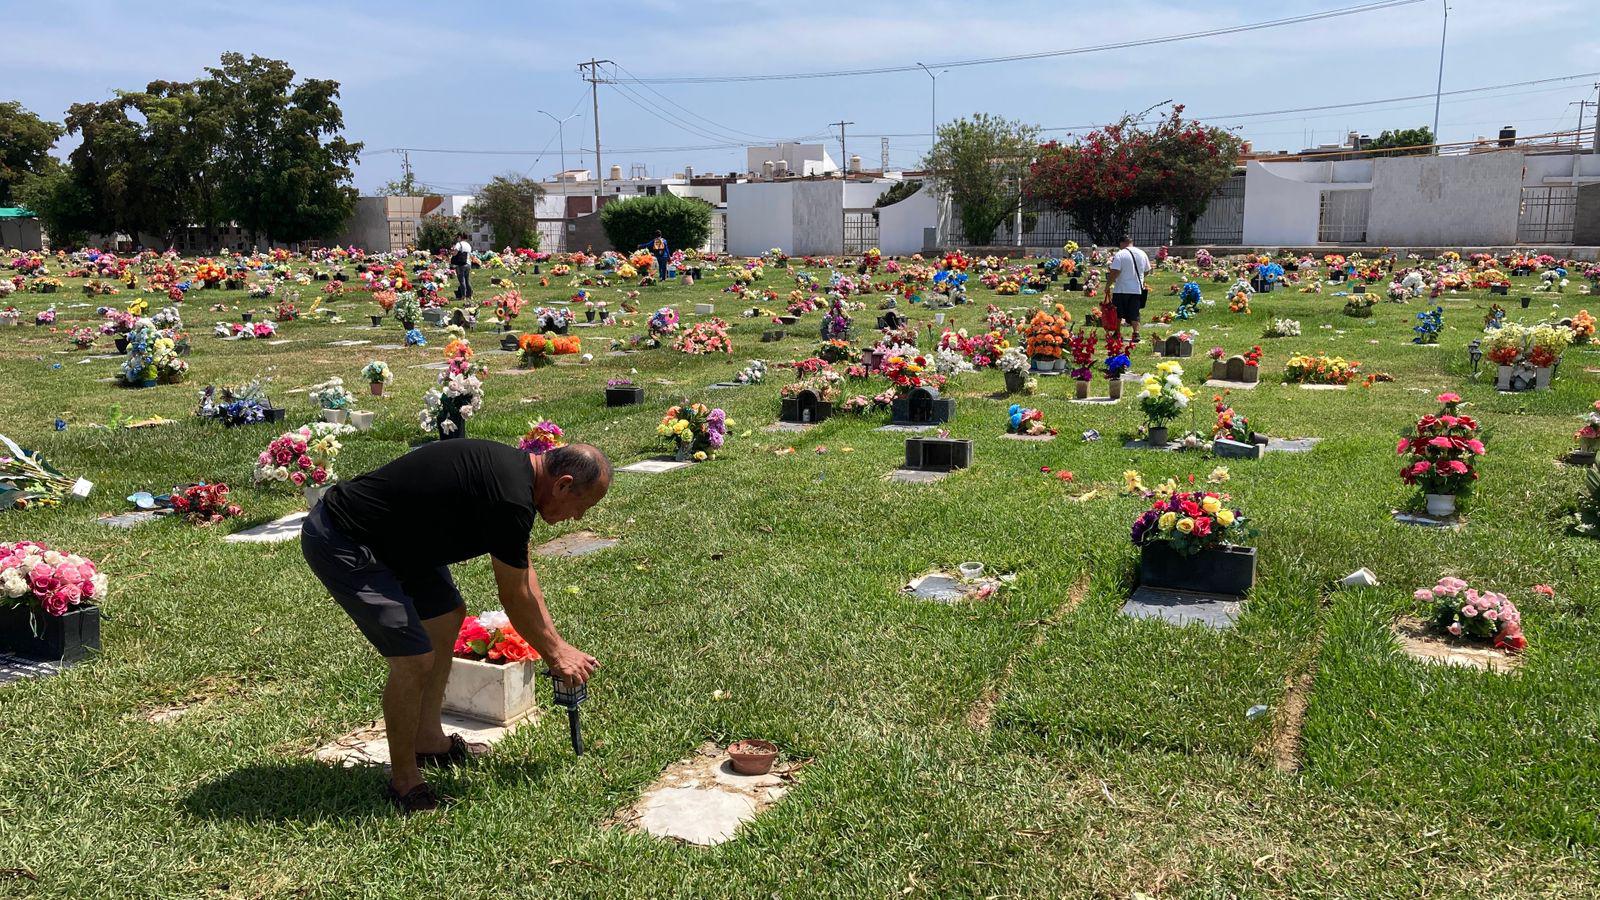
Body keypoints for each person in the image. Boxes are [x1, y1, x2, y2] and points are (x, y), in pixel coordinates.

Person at [301, 440, 611, 813]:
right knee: (413, 659)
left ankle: (428, 741)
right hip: (346, 539)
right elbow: (513, 596)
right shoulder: (510, 496)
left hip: (399, 540)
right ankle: (404, 781)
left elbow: (525, 576)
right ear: (562, 485)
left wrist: (557, 644)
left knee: (447, 615)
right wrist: (555, 654)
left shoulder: (517, 481)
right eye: (583, 506)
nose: (577, 518)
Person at [1106, 234, 1151, 343]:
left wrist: (1108, 285)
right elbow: (1147, 270)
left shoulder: (1120, 254)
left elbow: (1115, 271)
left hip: (1121, 288)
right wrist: (1139, 278)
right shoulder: (1142, 253)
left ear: (1122, 243)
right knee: (1134, 312)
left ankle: (1117, 333)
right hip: (1136, 289)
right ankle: (1136, 333)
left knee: (1118, 312)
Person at [450, 232, 474, 300]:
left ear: (460, 237)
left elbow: (455, 253)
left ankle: (463, 296)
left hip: (461, 264)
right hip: (468, 264)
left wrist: (452, 252)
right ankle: (470, 295)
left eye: (458, 237)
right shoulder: (468, 245)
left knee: (462, 281)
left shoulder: (459, 244)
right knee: (467, 280)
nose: (457, 238)